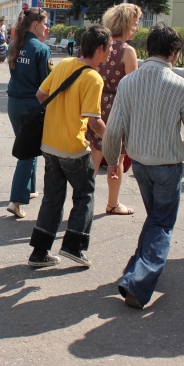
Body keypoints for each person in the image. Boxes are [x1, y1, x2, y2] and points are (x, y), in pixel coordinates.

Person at [103, 23, 184, 309]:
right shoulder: (181, 86)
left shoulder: (129, 82)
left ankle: (132, 272)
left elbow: (113, 131)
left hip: (139, 164)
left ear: (148, 49)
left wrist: (113, 161)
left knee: (155, 219)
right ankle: (139, 283)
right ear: (173, 53)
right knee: (162, 223)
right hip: (168, 164)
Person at [28, 25, 112, 268]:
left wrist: (60, 112)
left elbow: (40, 94)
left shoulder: (64, 64)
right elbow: (94, 121)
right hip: (73, 147)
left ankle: (40, 251)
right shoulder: (93, 78)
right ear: (99, 48)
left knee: (52, 198)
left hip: (50, 143)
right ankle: (73, 246)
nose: (108, 54)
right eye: (107, 49)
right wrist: (112, 140)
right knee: (85, 194)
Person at [85, 3, 141, 215]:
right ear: (125, 24)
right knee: (115, 159)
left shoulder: (100, 46)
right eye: (135, 23)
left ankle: (83, 204)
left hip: (94, 105)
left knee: (93, 156)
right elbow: (131, 87)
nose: (136, 27)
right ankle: (113, 203)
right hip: (117, 108)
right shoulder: (127, 51)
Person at [6, 7, 52, 218]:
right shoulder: (41, 49)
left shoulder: (15, 45)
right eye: (44, 23)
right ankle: (15, 200)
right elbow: (46, 84)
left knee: (28, 147)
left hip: (14, 103)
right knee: (27, 152)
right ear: (36, 24)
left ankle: (30, 189)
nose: (46, 27)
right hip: (31, 106)